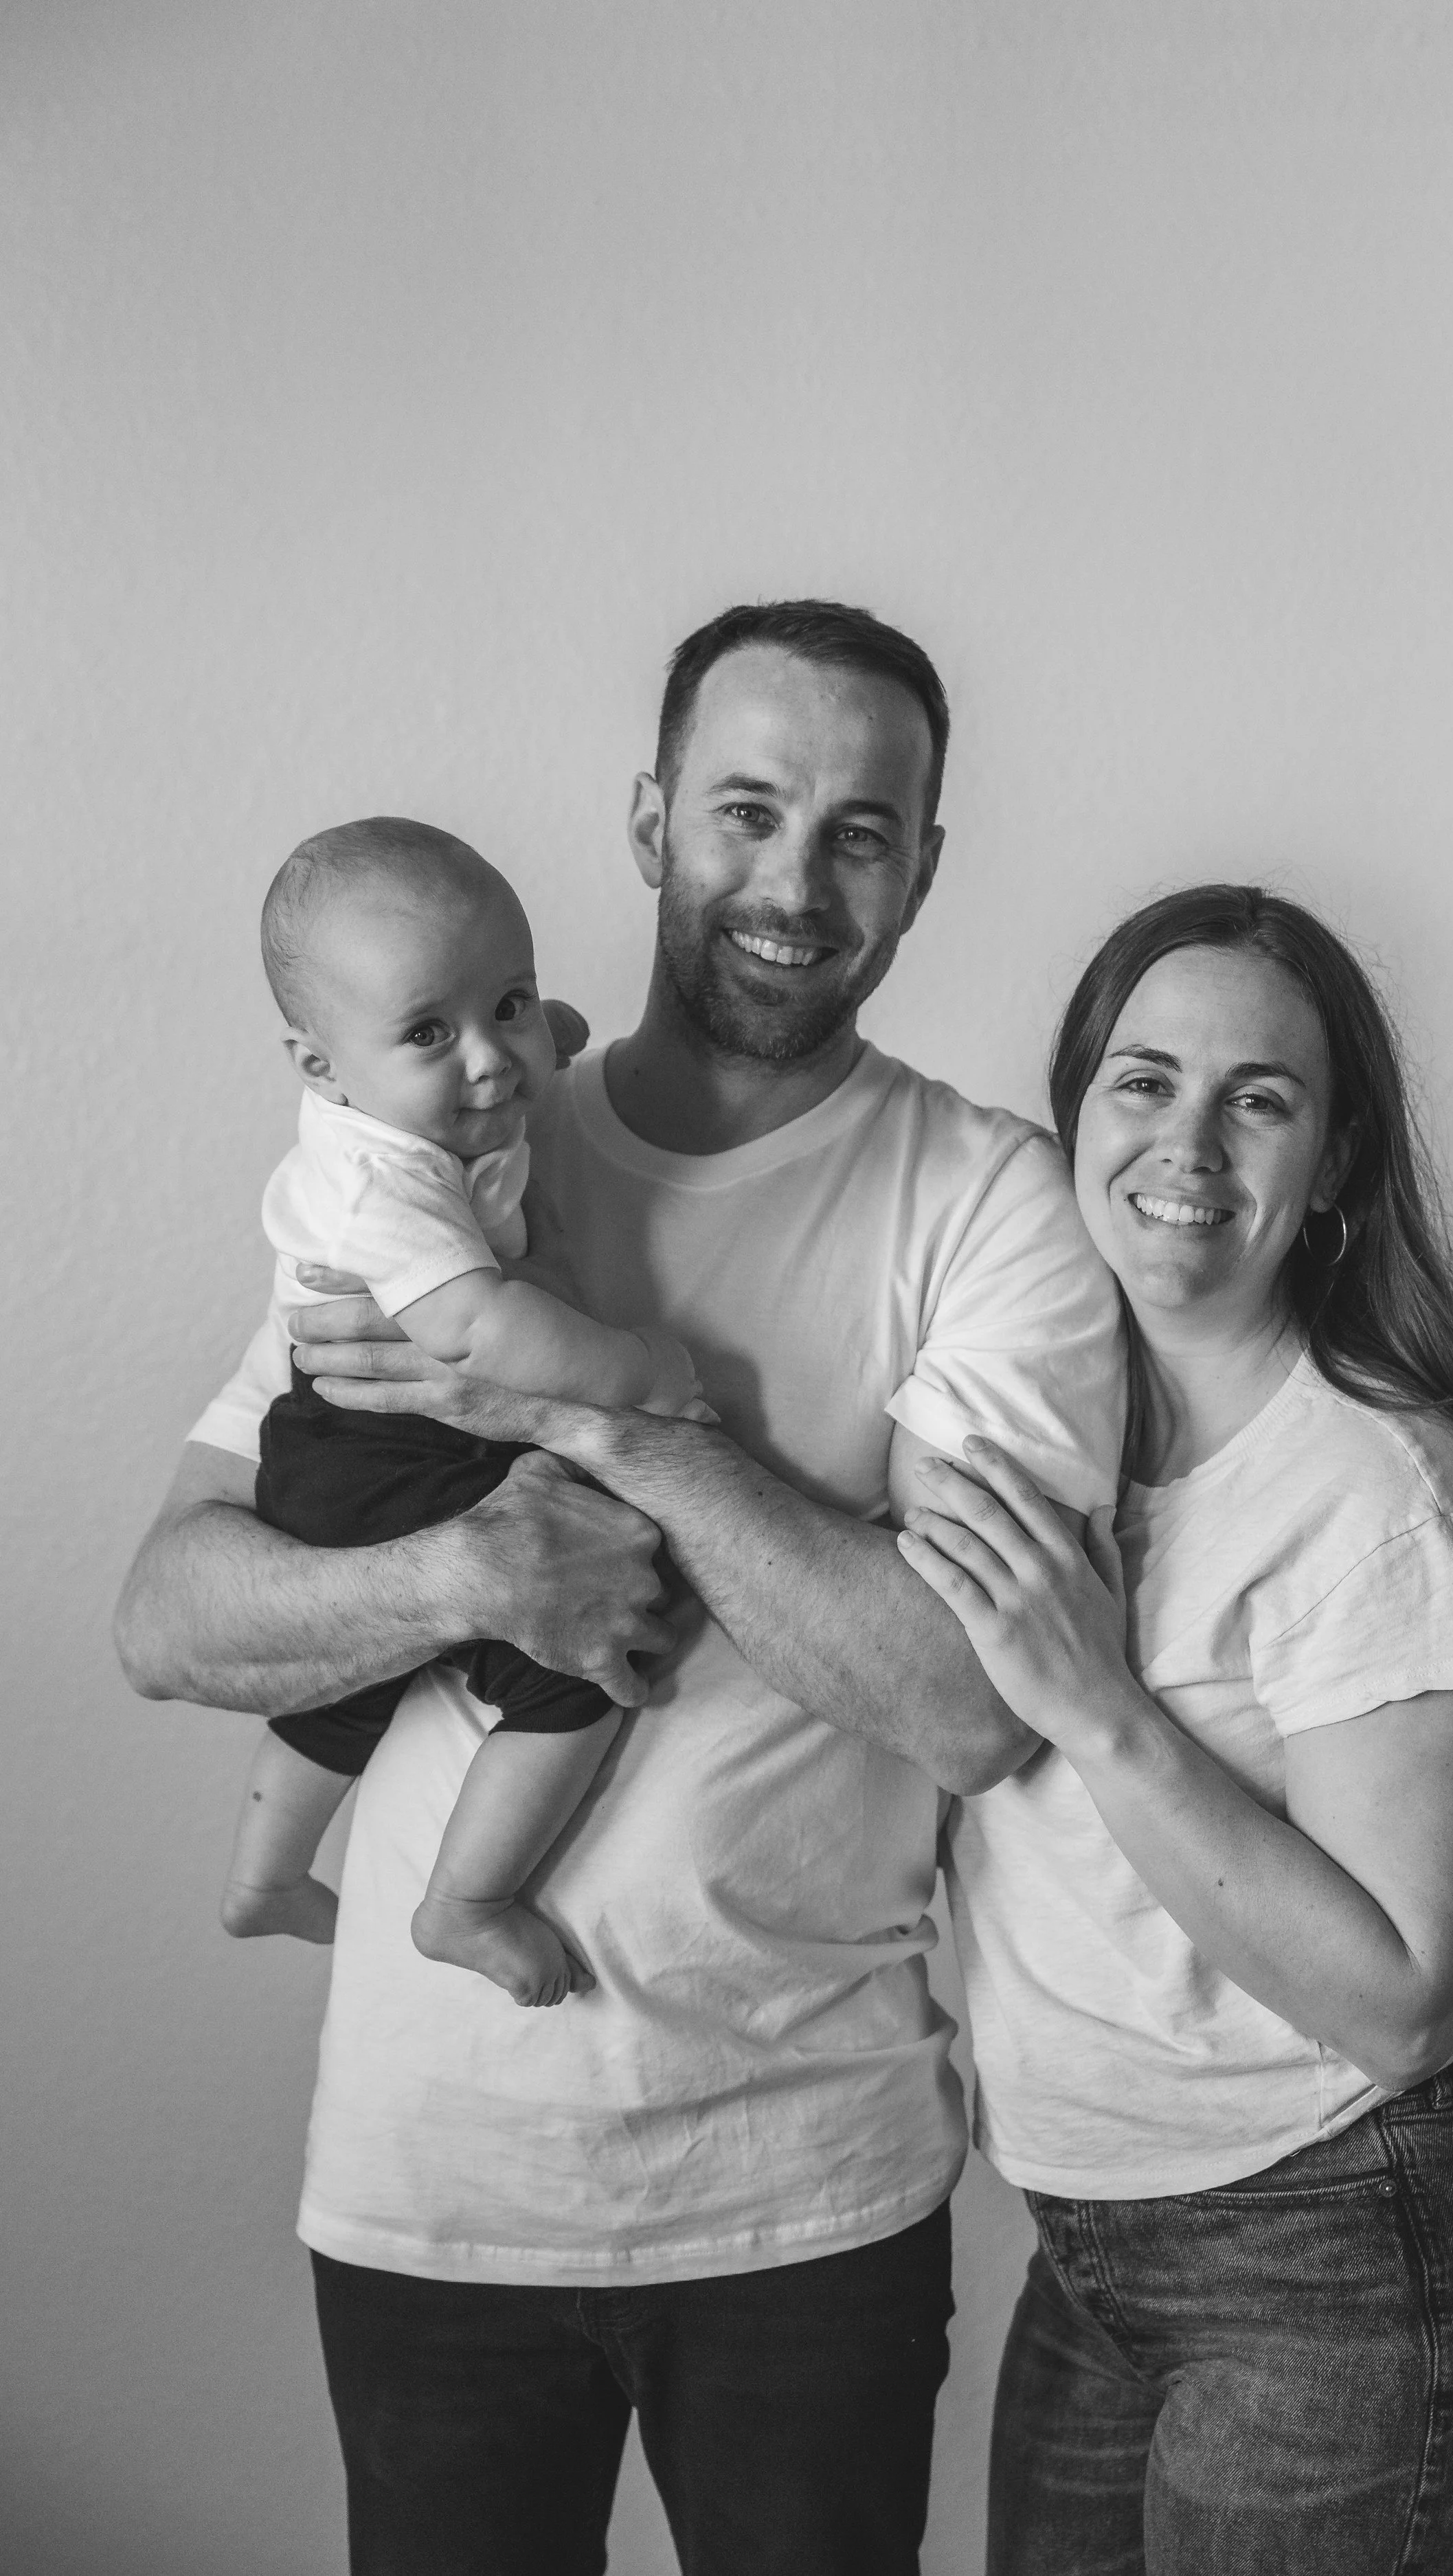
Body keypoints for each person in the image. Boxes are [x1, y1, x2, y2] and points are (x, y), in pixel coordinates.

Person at [113, 600, 1127, 2576]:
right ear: (652, 817)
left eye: (860, 828)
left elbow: (968, 1700)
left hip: (807, 2192)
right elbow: (168, 1612)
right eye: (747, 807)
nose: (795, 875)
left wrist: (632, 1434)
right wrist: (466, 1564)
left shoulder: (987, 1200)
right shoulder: (441, 1161)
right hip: (432, 2177)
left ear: (923, 863)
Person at [898, 885, 1453, 2575]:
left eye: (1257, 1099)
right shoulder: (1039, 1427)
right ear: (1073, 1115)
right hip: (1093, 2255)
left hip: (1343, 2253)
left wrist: (1094, 1706)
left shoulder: (1379, 1503)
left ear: (1334, 1166)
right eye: (1141, 1082)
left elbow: (1405, 1999)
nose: (1184, 1142)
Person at [225, 818, 701, 2008]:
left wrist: (533, 1035)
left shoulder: (432, 1105)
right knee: (587, 1664)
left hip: (326, 1441)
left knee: (345, 1683)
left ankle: (266, 1874)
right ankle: (466, 1901)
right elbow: (482, 1333)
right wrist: (640, 1373)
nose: (492, 1060)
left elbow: (510, 1059)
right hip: (382, 1441)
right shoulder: (384, 1182)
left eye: (514, 1002)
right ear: (320, 1067)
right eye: (430, 1032)